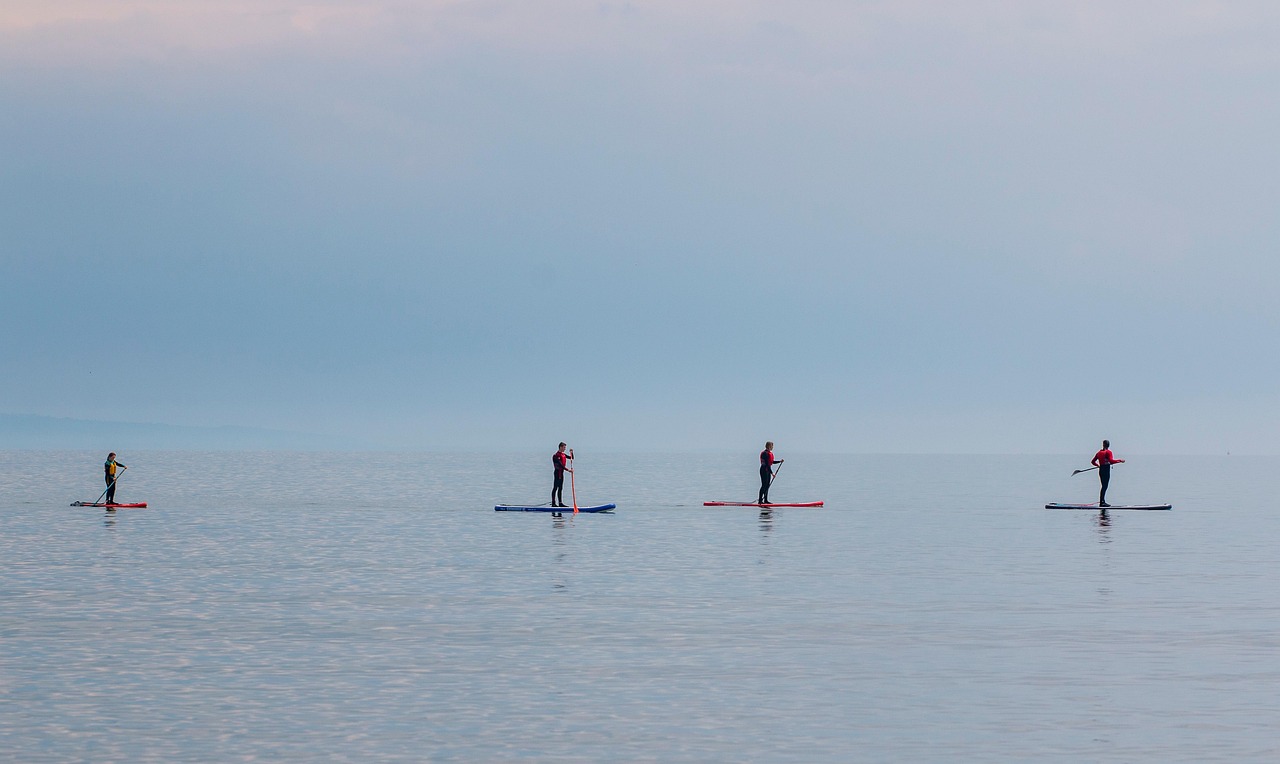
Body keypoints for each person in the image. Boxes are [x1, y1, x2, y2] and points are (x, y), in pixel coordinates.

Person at [1090, 440, 1124, 508]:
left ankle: (1102, 501)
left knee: (1103, 486)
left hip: (1101, 470)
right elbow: (1111, 461)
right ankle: (1102, 502)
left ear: (1103, 445)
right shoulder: (1108, 452)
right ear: (1108, 445)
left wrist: (1098, 465)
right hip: (1106, 469)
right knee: (1105, 486)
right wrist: (1120, 460)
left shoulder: (1099, 452)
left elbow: (1093, 462)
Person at [552, 443, 573, 508]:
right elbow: (560, 464)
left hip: (561, 473)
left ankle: (560, 503)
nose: (565, 449)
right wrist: (568, 470)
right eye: (564, 447)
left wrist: (571, 453)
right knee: (555, 488)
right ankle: (553, 503)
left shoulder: (563, 455)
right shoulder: (556, 455)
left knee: (560, 488)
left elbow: (571, 458)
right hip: (557, 473)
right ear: (560, 447)